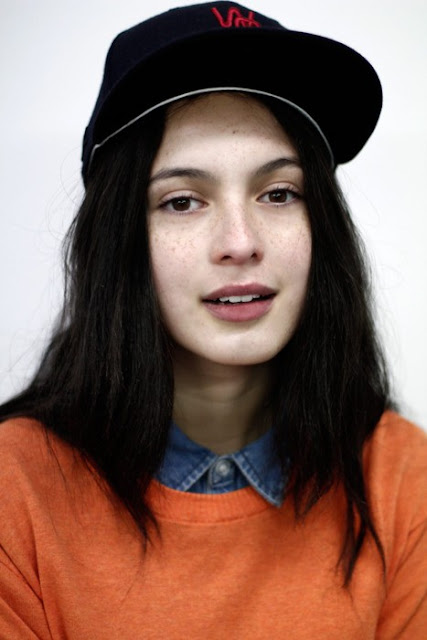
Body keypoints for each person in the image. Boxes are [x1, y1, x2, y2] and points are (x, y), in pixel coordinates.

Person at [0, 2, 426, 638]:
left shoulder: (402, 479)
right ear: (120, 238)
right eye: (182, 201)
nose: (240, 242)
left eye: (278, 193)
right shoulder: (15, 491)